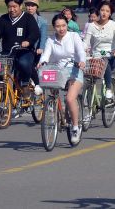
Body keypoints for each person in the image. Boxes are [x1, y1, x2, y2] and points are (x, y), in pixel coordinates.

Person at [39, 14, 86, 144]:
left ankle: (75, 127)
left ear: (67, 25)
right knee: (49, 87)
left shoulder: (74, 36)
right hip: (58, 71)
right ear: (54, 27)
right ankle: (55, 108)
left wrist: (82, 61)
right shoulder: (51, 40)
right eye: (58, 26)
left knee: (70, 98)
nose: (61, 29)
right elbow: (46, 54)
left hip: (74, 70)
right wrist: (42, 62)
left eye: (64, 25)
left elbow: (81, 51)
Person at [0, 0, 40, 97]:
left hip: (24, 51)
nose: (12, 9)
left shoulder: (28, 18)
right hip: (7, 52)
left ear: (21, 6)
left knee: (24, 63)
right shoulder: (3, 19)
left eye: (15, 6)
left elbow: (35, 33)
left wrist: (28, 41)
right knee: (0, 75)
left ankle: (24, 83)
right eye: (9, 7)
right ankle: (2, 104)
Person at [84, 2, 115, 100]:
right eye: (102, 10)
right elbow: (86, 42)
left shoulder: (113, 25)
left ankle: (109, 89)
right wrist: (83, 50)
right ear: (98, 11)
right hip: (96, 55)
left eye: (107, 11)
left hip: (111, 54)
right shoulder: (91, 26)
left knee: (105, 60)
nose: (104, 13)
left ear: (110, 13)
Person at [25, 0, 47, 96]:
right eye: (28, 5)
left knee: (33, 67)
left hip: (36, 49)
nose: (30, 8)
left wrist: (41, 48)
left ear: (36, 7)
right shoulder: (22, 19)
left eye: (32, 6)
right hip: (24, 48)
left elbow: (43, 36)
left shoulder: (42, 21)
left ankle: (37, 85)